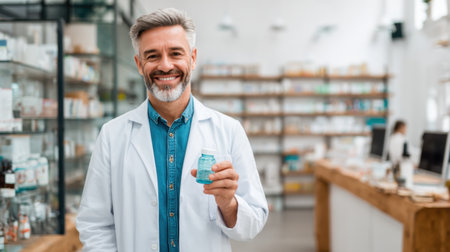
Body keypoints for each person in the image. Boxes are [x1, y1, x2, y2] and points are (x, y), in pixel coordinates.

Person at [76, 8, 268, 252]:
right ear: (139, 63)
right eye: (153, 56)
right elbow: (94, 224)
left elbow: (254, 221)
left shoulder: (229, 131)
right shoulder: (112, 135)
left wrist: (228, 203)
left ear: (193, 58)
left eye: (175, 53)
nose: (165, 66)